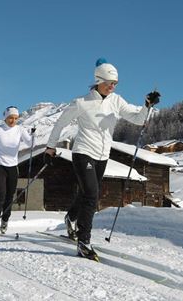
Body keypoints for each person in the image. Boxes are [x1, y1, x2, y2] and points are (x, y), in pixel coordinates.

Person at [44, 58, 160, 260]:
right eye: (109, 83)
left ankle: (70, 217)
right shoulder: (81, 102)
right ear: (98, 80)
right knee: (92, 194)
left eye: (115, 83)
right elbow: (59, 124)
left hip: (103, 155)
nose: (112, 87)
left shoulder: (116, 101)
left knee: (87, 192)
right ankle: (84, 241)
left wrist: (147, 106)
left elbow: (138, 119)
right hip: (83, 152)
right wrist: (50, 147)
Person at [0, 106, 34, 236]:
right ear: (5, 117)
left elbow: (30, 144)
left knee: (10, 196)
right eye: (10, 118)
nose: (13, 120)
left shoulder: (20, 130)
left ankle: (5, 220)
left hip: (13, 166)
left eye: (15, 118)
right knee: (0, 195)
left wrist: (32, 135)